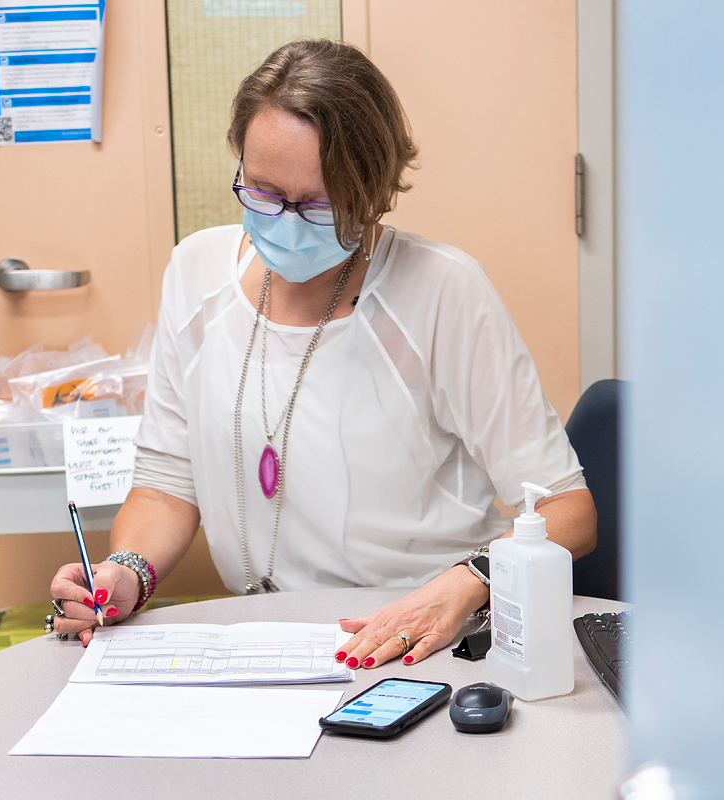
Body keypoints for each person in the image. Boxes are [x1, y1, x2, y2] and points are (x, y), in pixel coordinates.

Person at [50, 39, 596, 670]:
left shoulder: (442, 289)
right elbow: (167, 487)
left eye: (316, 203)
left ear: (374, 192)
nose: (283, 220)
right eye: (261, 191)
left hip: (424, 643)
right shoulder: (195, 274)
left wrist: (470, 580)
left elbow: (568, 511)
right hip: (267, 645)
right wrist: (126, 574)